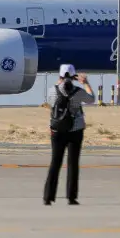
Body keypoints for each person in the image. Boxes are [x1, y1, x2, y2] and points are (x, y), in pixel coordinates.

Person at [44, 63, 96, 206]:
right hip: (75, 130)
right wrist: (85, 83)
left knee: (55, 163)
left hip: (57, 130)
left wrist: (59, 81)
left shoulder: (52, 91)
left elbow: (50, 103)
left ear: (60, 76)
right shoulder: (78, 92)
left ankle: (48, 197)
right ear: (74, 76)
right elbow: (92, 99)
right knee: (73, 164)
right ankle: (71, 197)